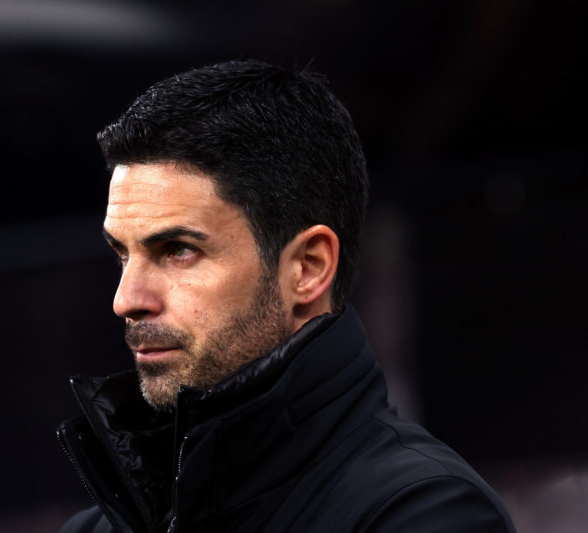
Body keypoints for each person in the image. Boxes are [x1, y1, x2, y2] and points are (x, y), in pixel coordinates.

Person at [56, 60, 515, 532]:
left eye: (177, 251)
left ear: (307, 268)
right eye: (122, 254)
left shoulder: (427, 514)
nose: (126, 299)